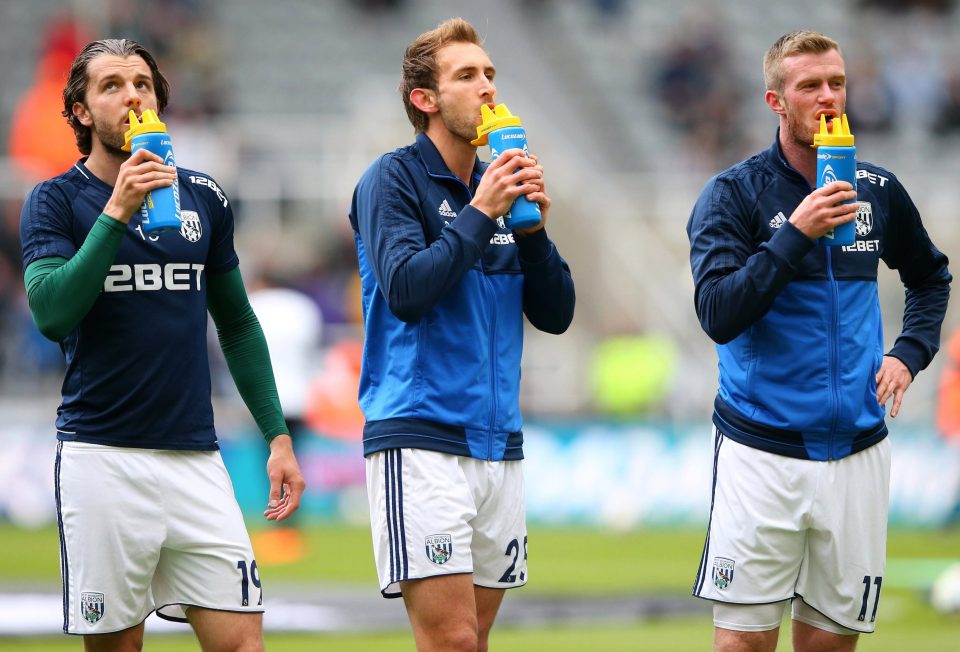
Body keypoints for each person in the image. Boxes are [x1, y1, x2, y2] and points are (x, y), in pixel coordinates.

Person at [18, 38, 305, 651]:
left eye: (143, 85)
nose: (132, 97)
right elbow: (51, 312)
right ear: (79, 111)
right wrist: (116, 211)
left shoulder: (203, 197)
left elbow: (238, 323)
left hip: (197, 458)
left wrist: (276, 434)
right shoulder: (55, 200)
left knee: (244, 644)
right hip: (102, 458)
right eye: (112, 86)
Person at [686, 30, 951, 652]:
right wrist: (795, 234)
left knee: (831, 645)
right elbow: (718, 312)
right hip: (762, 451)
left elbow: (931, 276)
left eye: (837, 83)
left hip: (859, 452)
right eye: (810, 86)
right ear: (777, 101)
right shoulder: (734, 194)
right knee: (742, 645)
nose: (828, 97)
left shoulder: (878, 190)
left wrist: (909, 353)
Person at [349, 18, 575, 652]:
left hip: (498, 441)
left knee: (471, 641)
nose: (487, 88)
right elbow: (408, 290)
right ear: (425, 99)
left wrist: (533, 236)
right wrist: (480, 214)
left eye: (491, 75)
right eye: (467, 75)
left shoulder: (498, 190)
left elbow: (556, 313)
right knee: (452, 642)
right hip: (420, 435)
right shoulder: (392, 179)